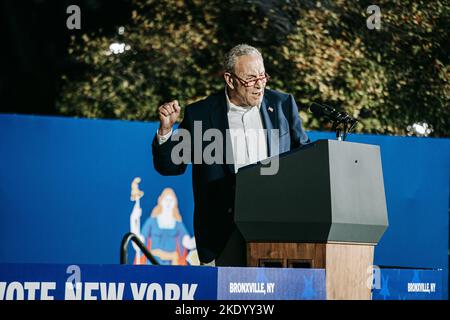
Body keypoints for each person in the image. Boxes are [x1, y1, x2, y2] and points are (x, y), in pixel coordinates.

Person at [152, 44, 309, 266]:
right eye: (250, 79)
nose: (259, 86)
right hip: (223, 235)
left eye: (262, 77)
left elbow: (305, 157)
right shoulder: (202, 114)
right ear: (230, 79)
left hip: (277, 229)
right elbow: (170, 166)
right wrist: (166, 131)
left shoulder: (282, 105)